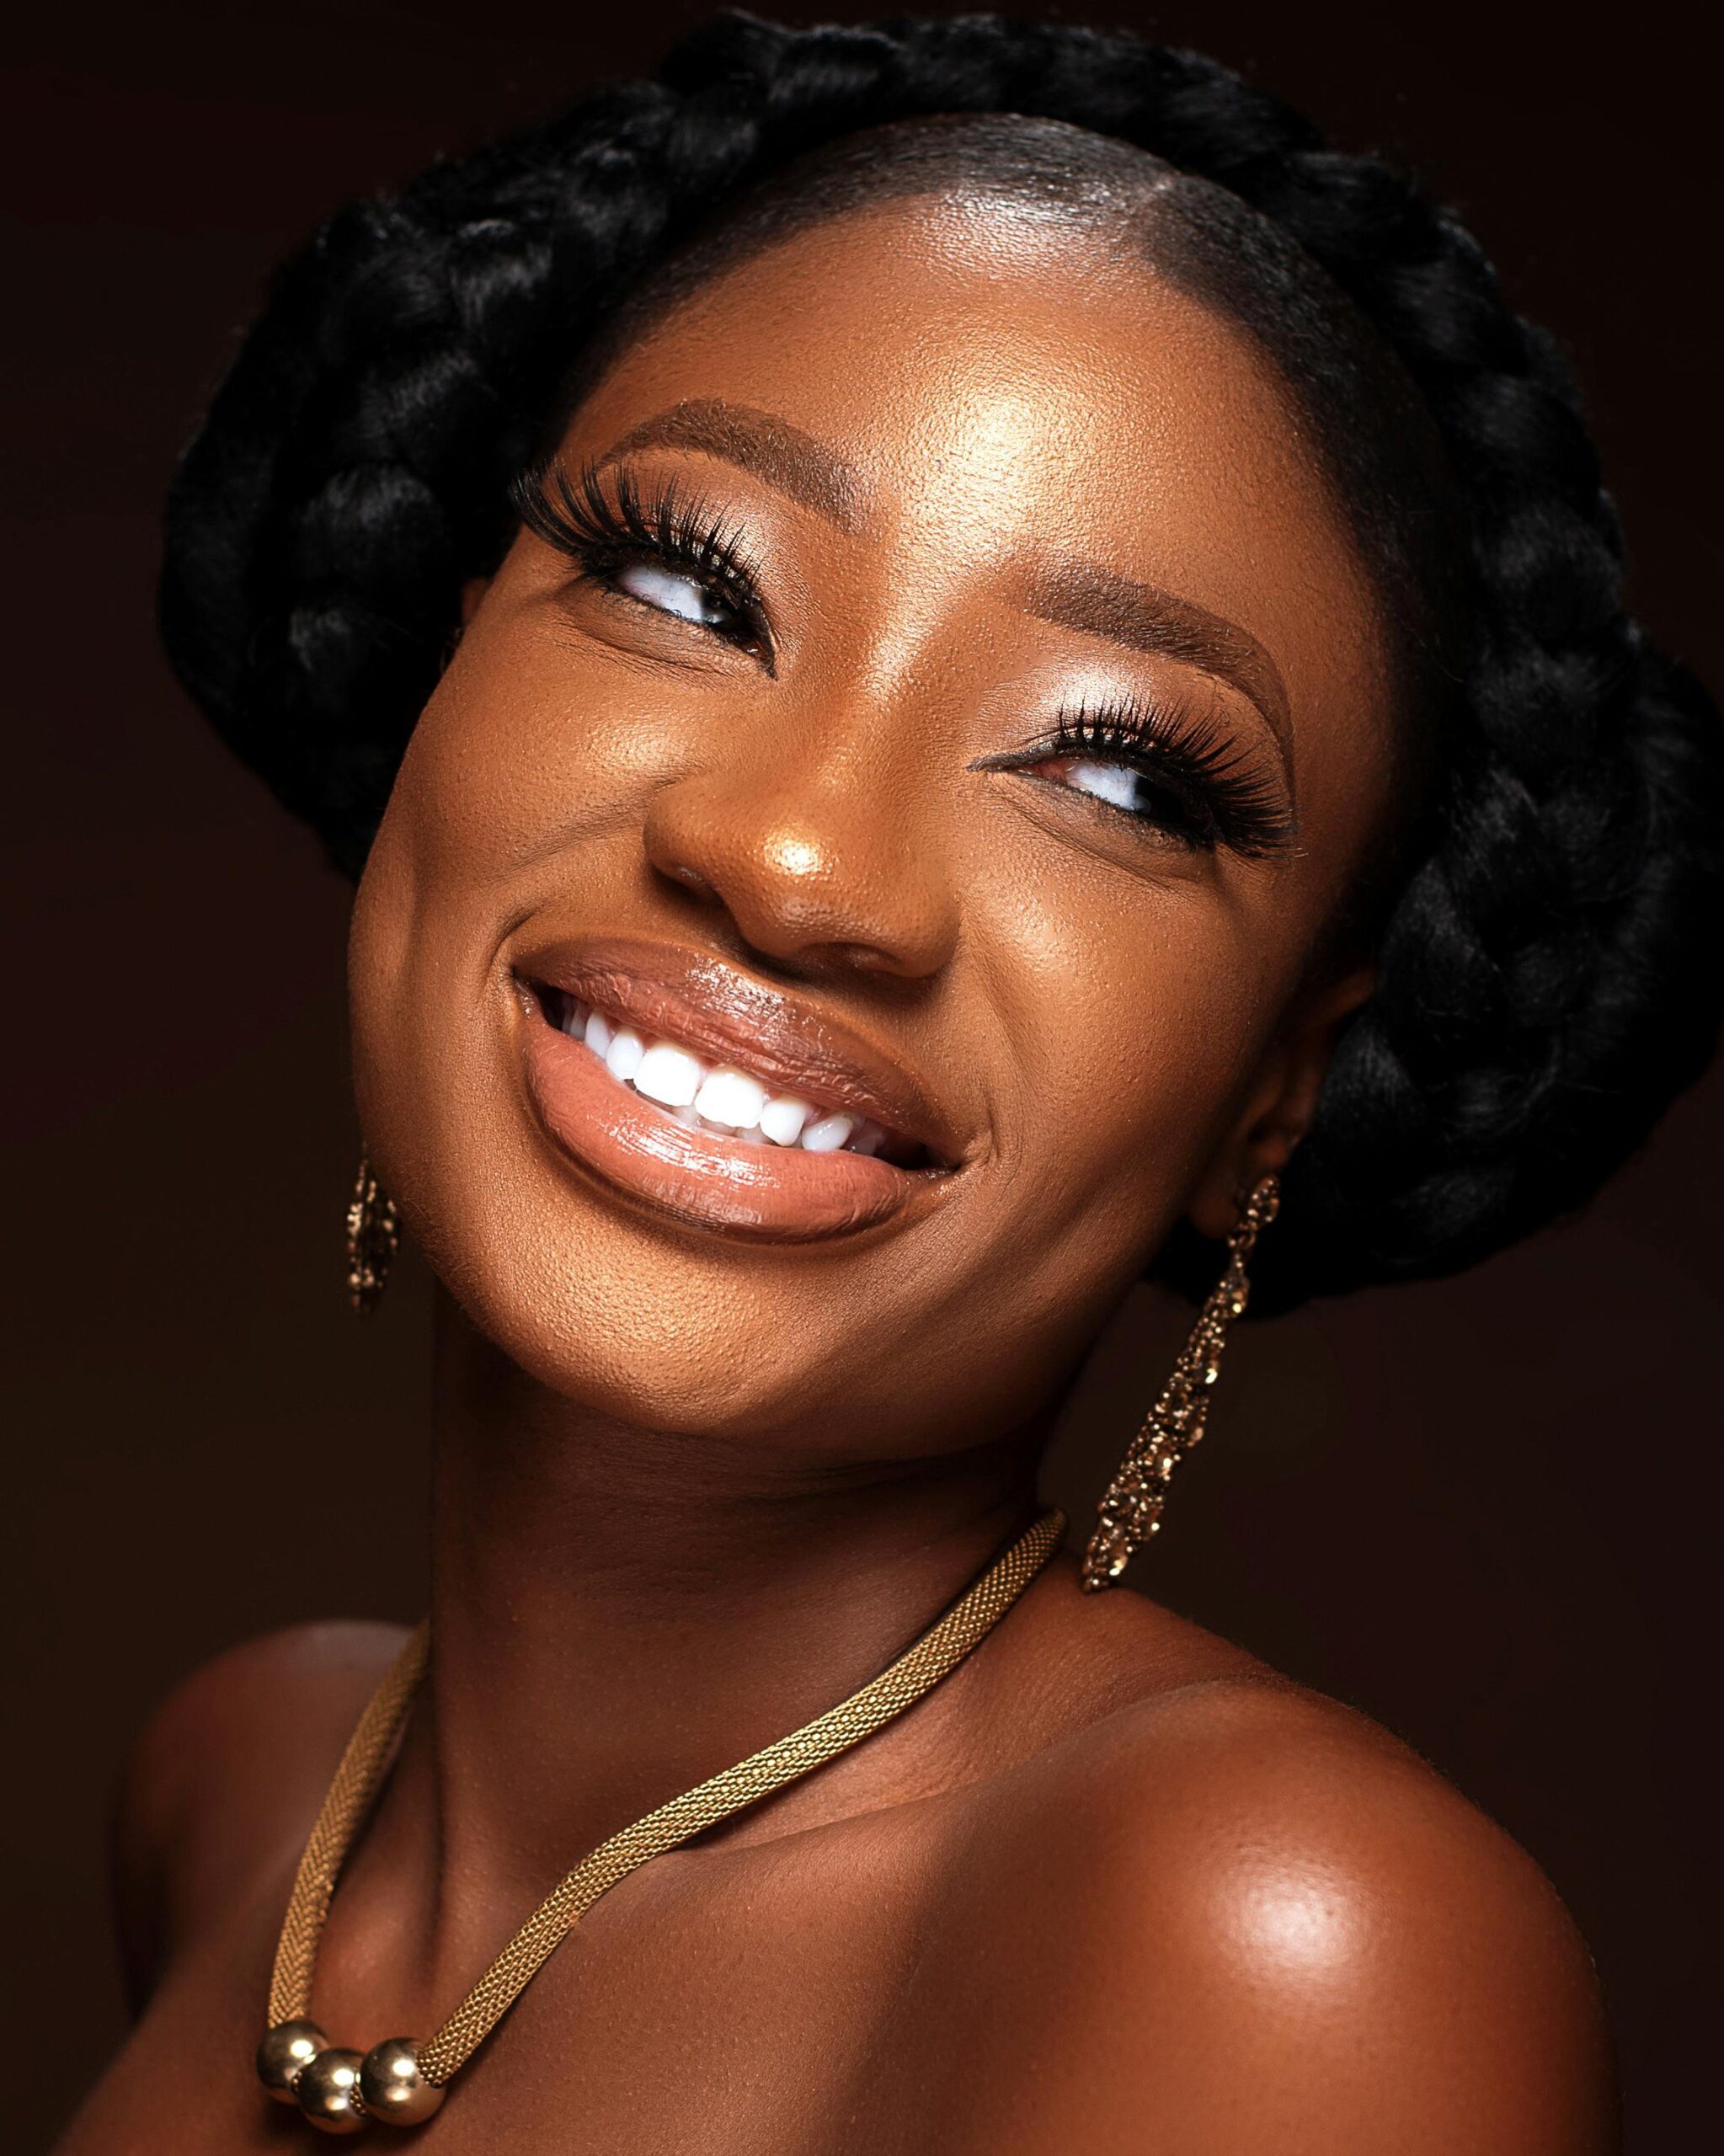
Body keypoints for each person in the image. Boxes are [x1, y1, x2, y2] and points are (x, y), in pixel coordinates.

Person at [59, 12, 1719, 2151]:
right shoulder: (238, 1791)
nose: (802, 858)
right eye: (683, 581)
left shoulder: (1278, 1949)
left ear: (1279, 1089)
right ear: (443, 659)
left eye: (1119, 771)